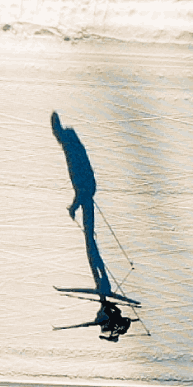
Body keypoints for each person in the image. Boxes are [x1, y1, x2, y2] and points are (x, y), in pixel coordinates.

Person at [50, 112, 111, 296]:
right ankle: (102, 281)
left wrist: (74, 206)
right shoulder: (72, 144)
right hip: (87, 192)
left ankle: (102, 283)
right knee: (90, 239)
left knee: (89, 242)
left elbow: (79, 179)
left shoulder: (70, 148)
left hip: (85, 194)